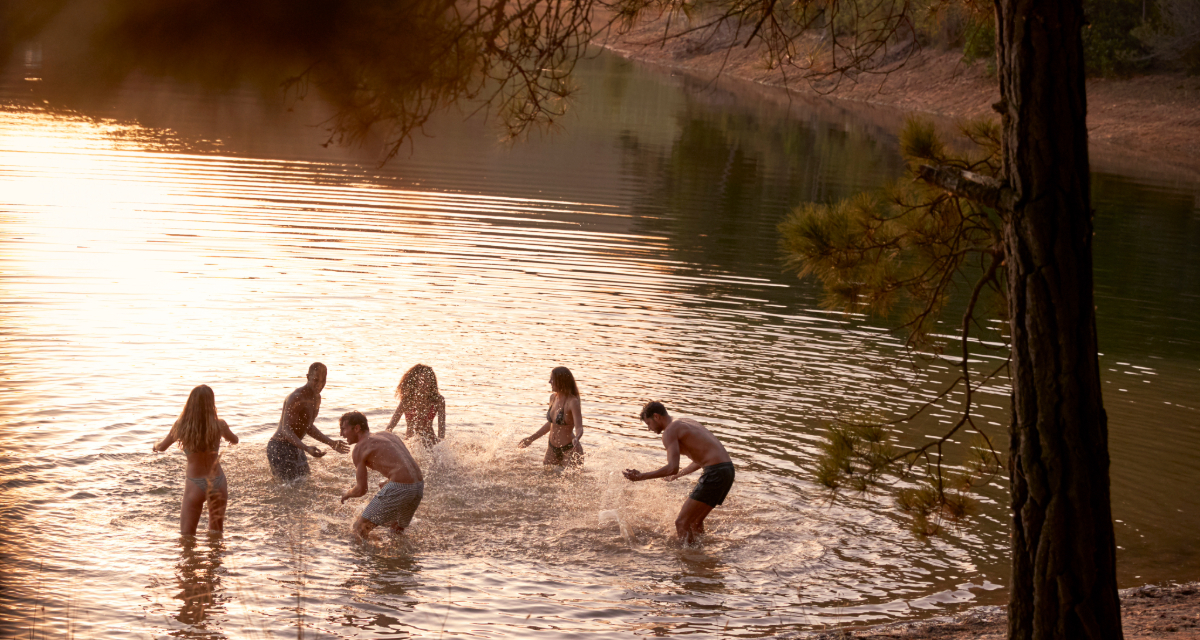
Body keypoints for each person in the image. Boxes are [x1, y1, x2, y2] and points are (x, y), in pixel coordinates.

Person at [623, 401, 735, 544]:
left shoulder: (669, 431)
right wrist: (678, 475)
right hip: (727, 470)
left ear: (656, 416)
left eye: (648, 424)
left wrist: (641, 476)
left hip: (715, 473)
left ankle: (688, 558)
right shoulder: (685, 422)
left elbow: (671, 467)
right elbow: (701, 459)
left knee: (681, 523)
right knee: (695, 522)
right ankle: (701, 557)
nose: (649, 429)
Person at [153, 384, 240, 535]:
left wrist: (155, 445)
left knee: (187, 536)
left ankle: (192, 559)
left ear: (190, 403)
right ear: (211, 403)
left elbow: (162, 447)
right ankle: (216, 558)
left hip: (195, 484)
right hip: (218, 481)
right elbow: (235, 440)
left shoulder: (181, 427)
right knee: (216, 533)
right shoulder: (219, 425)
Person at [339, 411, 425, 540]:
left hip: (401, 487)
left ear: (356, 428)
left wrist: (347, 494)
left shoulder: (360, 448)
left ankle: (364, 559)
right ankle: (398, 559)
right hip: (418, 486)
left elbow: (361, 489)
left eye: (343, 429)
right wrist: (389, 481)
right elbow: (404, 464)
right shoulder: (387, 435)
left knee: (359, 529)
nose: (341, 434)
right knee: (396, 531)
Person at [266, 362, 348, 482]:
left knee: (305, 482)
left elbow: (308, 427)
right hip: (279, 447)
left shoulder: (317, 398)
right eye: (315, 380)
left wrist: (331, 443)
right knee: (287, 487)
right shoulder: (296, 397)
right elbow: (286, 430)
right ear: (307, 377)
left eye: (323, 381)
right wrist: (306, 448)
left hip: (296, 446)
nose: (319, 385)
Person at [517, 366, 584, 466]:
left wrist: (577, 438)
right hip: (552, 448)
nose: (549, 382)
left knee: (569, 480)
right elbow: (551, 424)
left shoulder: (572, 402)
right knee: (546, 477)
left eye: (552, 379)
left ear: (561, 381)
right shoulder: (553, 398)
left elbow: (579, 427)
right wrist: (531, 439)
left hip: (569, 449)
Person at [385, 364, 446, 446]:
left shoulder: (438, 400)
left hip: (431, 443)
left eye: (427, 380)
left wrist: (441, 446)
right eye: (421, 380)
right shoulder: (407, 401)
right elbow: (390, 426)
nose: (424, 384)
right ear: (415, 381)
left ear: (432, 382)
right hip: (410, 444)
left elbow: (441, 430)